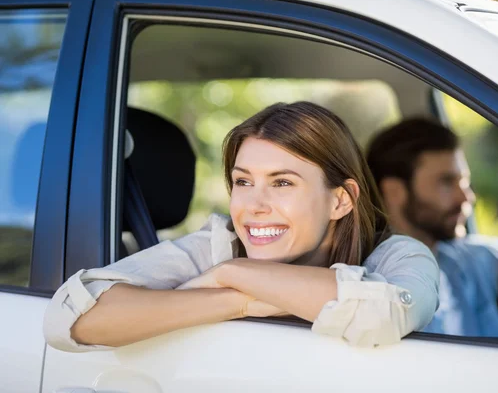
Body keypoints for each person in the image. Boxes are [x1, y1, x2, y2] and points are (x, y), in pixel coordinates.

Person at [43, 102, 439, 351]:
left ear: (341, 199)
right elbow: (72, 319)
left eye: (282, 183)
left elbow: (384, 312)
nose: (253, 206)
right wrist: (240, 300)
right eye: (243, 182)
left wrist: (234, 274)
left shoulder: (401, 256)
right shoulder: (217, 246)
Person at [366, 118, 498, 337]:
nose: (466, 197)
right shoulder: (368, 284)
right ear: (394, 191)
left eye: (465, 182)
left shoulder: (480, 260)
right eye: (447, 182)